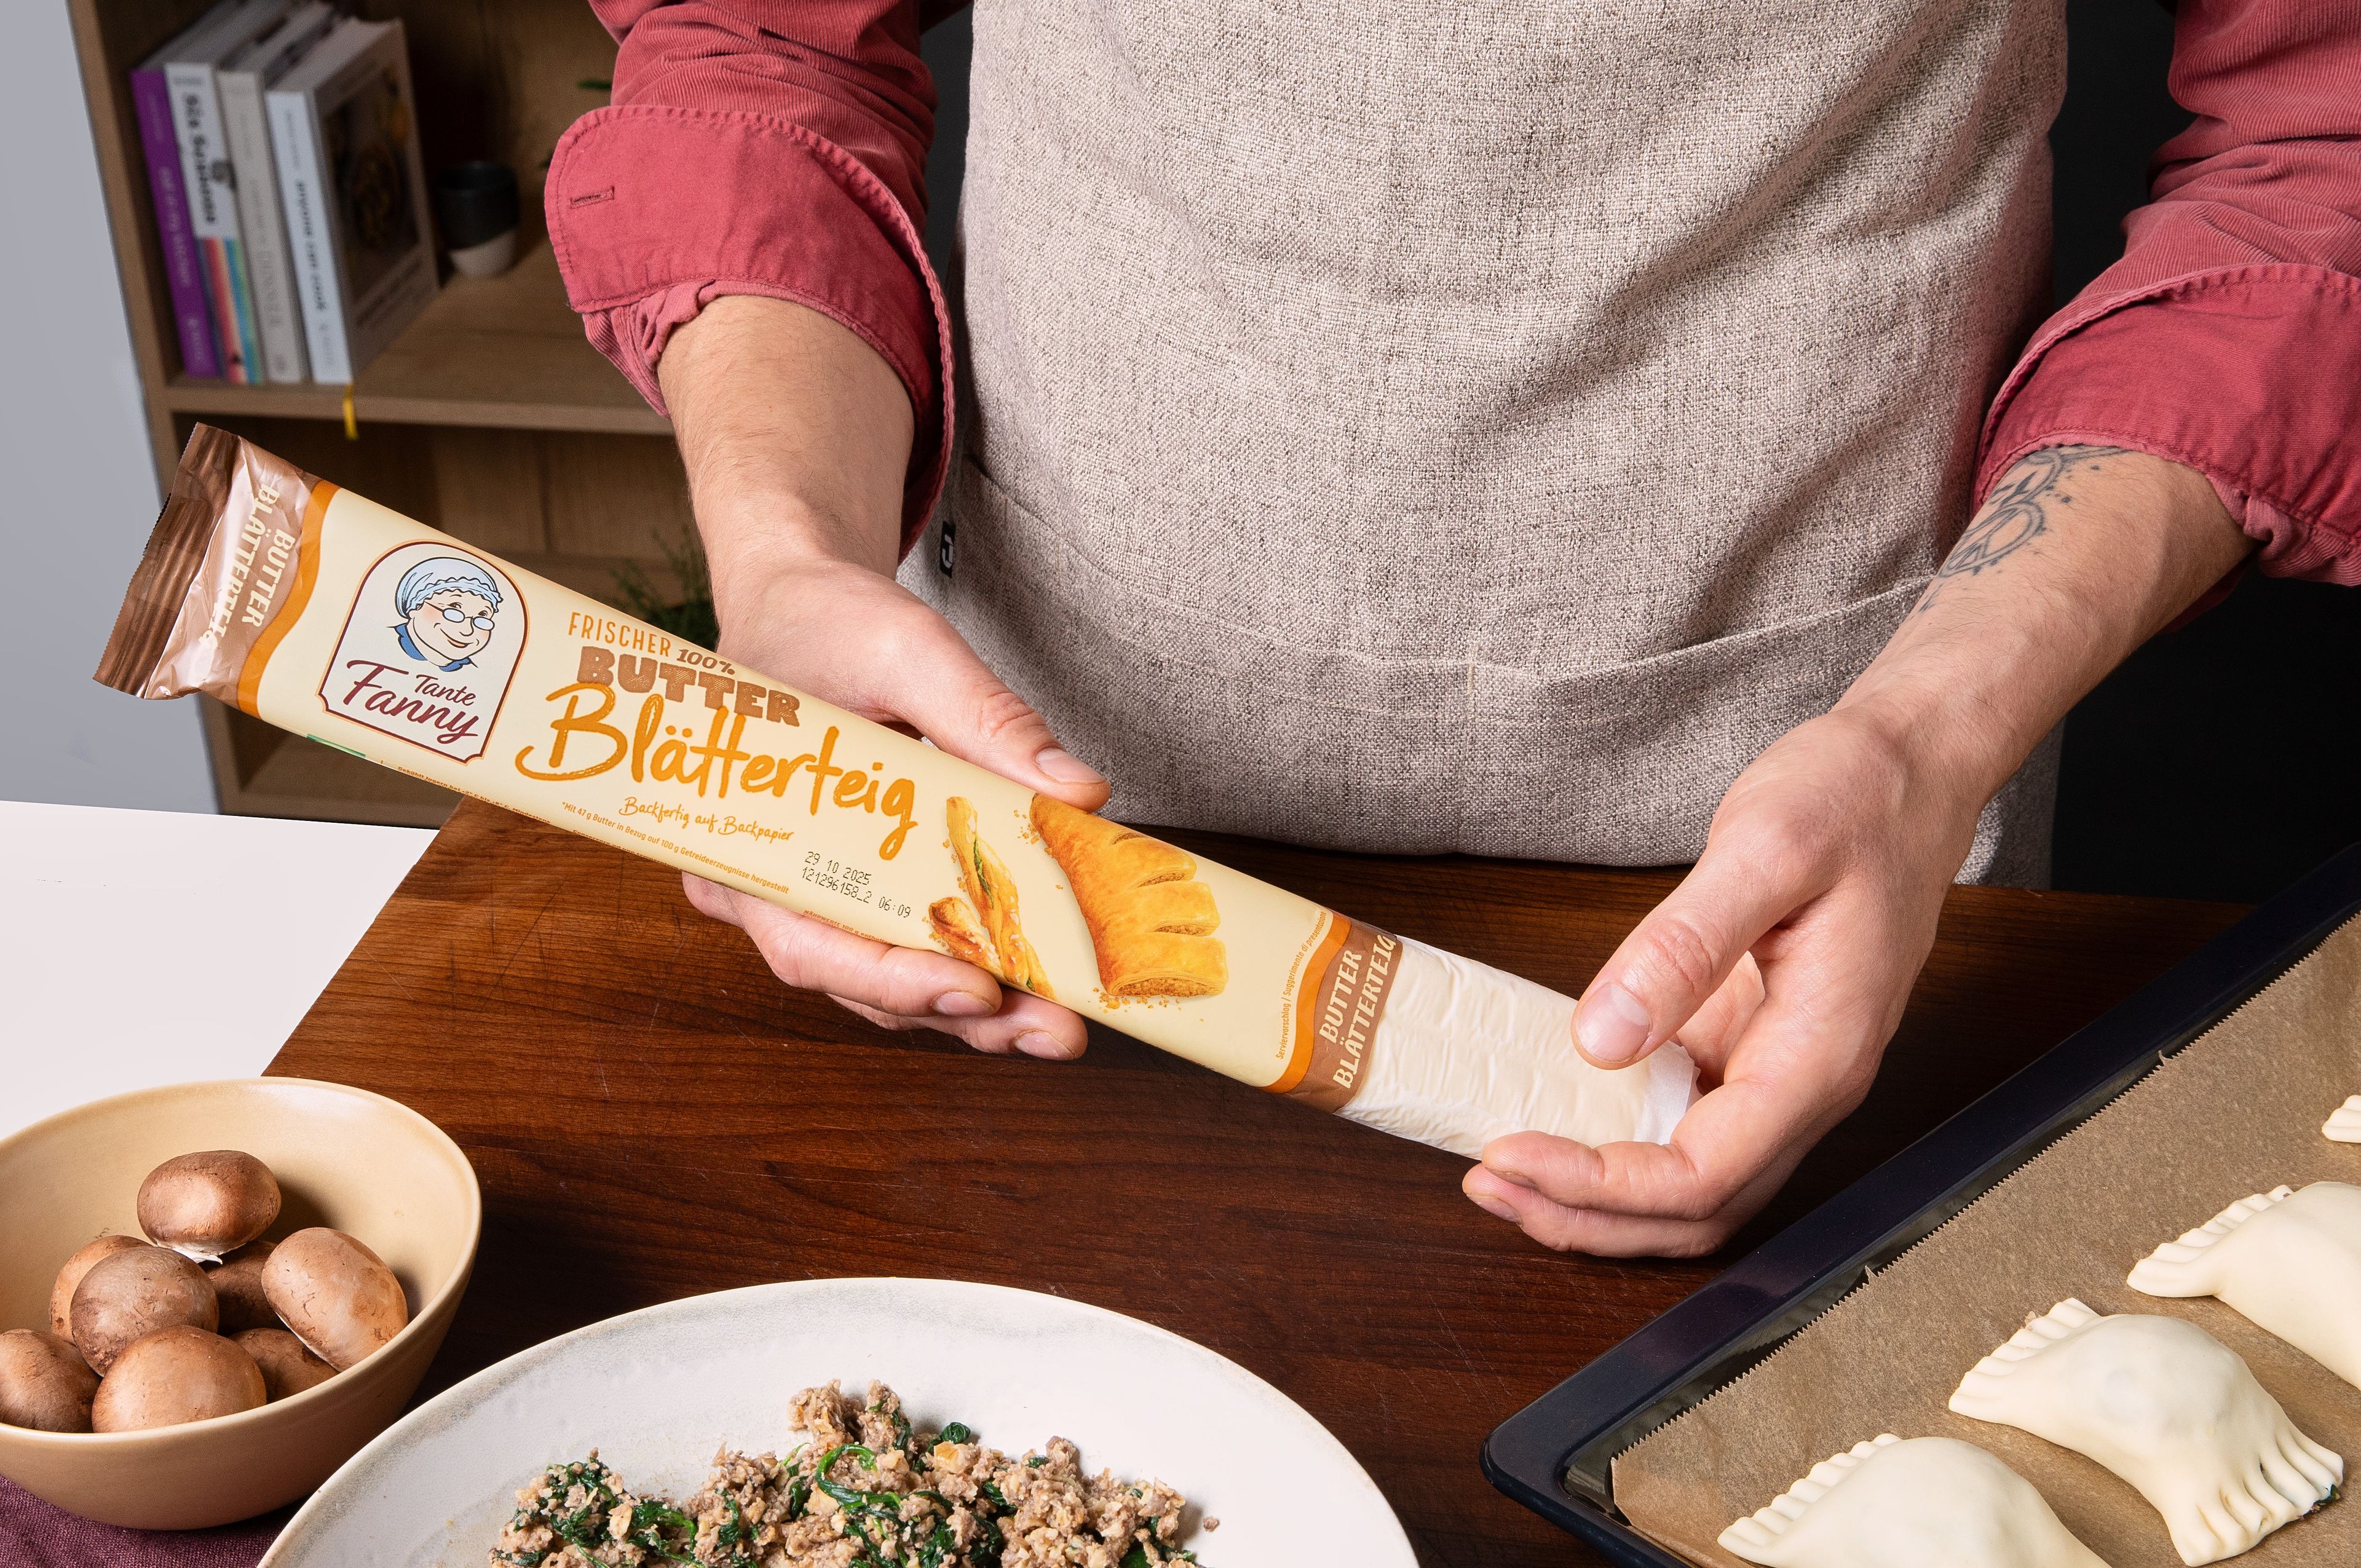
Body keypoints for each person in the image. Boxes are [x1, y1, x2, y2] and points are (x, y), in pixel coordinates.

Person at [545, 1, 2359, 1255]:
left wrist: (1927, 733)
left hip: (1823, 865)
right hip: (1031, 854)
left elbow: (2319, 141)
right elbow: (766, 39)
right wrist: (789, 558)